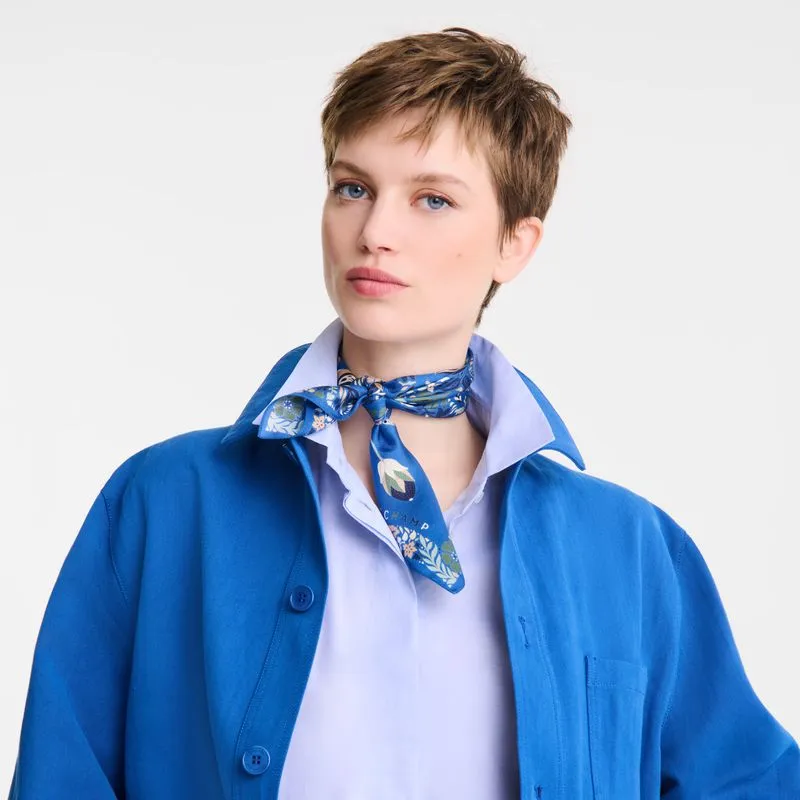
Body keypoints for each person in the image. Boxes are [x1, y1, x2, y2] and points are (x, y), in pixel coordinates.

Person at [9, 25, 799, 800]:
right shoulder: (163, 504)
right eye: (352, 188)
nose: (375, 232)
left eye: (432, 199)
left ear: (515, 244)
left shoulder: (630, 549)